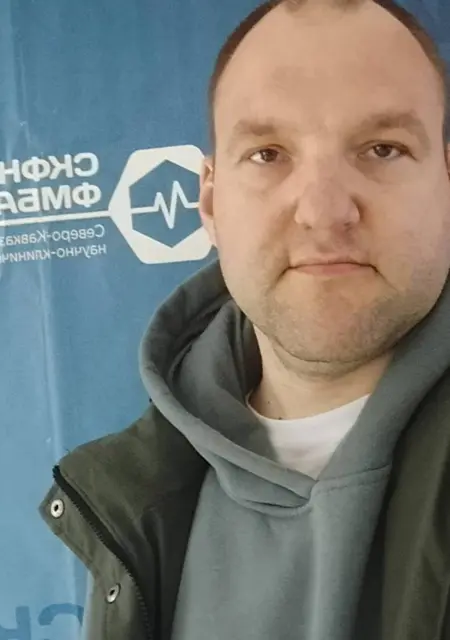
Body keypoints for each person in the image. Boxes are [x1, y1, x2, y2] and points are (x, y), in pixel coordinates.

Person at [40, 0, 450, 638]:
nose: (323, 212)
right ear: (210, 202)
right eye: (268, 154)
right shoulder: (137, 495)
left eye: (382, 148)